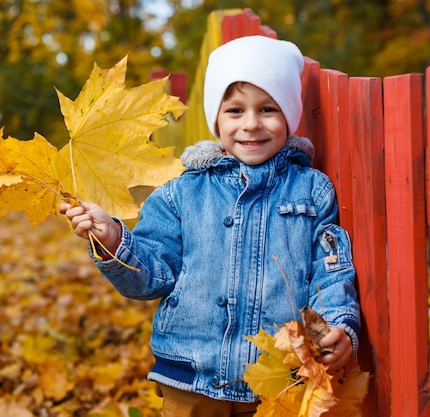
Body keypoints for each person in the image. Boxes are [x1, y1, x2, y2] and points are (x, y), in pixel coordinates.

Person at [60, 35, 360, 417]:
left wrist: (337, 324)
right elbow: (153, 274)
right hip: (192, 376)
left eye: (268, 109)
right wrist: (113, 239)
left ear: (290, 115)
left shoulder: (312, 191)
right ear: (215, 118)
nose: (251, 124)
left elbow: (330, 271)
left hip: (278, 379)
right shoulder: (182, 193)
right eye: (235, 111)